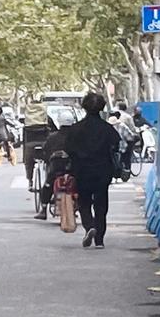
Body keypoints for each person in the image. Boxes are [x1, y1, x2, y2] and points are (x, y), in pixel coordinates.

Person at [62, 89, 121, 248]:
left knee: (84, 202)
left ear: (84, 107)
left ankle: (90, 226)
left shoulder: (76, 129)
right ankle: (99, 239)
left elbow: (68, 148)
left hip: (81, 171)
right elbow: (116, 144)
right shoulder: (107, 128)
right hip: (103, 171)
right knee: (101, 204)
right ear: (101, 107)